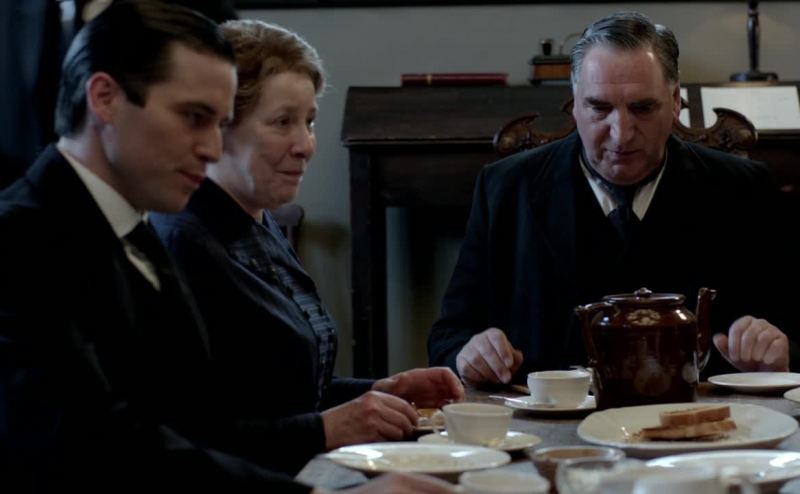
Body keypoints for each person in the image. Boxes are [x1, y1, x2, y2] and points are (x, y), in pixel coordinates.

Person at [0, 2, 455, 493]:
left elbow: (188, 429)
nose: (213, 149)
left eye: (218, 124)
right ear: (105, 99)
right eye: (194, 117)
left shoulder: (131, 229)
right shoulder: (23, 241)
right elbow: (95, 452)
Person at [149, 19, 464, 475]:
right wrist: (327, 430)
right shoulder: (183, 243)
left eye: (309, 121)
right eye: (283, 122)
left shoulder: (258, 221)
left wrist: (381, 391)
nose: (306, 145)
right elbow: (190, 441)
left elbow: (281, 392)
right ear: (221, 126)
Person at [428, 11, 798, 386]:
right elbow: (448, 338)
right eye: (600, 108)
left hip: (697, 416)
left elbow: (793, 334)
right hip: (550, 418)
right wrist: (469, 353)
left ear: (675, 102)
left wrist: (779, 352)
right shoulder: (507, 189)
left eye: (642, 108)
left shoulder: (743, 189)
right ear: (574, 104)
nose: (621, 134)